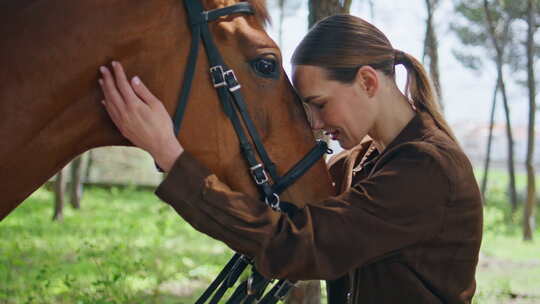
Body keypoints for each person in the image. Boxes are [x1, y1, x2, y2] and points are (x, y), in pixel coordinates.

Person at [98, 14, 483, 304]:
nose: (314, 124)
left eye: (319, 105)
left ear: (367, 82)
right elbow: (275, 211)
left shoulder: (427, 168)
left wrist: (170, 154)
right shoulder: (362, 162)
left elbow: (296, 246)